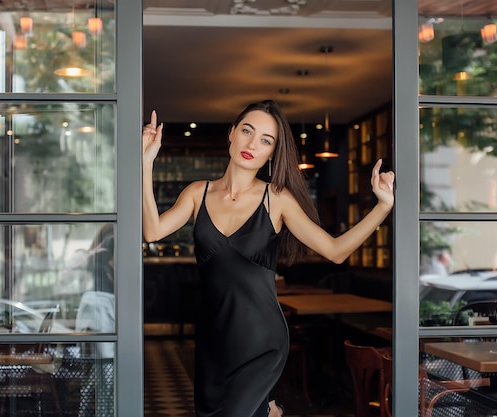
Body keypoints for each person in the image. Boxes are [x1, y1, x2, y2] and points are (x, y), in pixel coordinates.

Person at [142, 99, 394, 417]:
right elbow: (152, 231)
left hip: (260, 338)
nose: (252, 144)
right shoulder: (197, 193)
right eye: (247, 131)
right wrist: (146, 161)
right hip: (211, 338)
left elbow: (336, 251)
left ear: (273, 152)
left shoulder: (276, 199)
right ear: (232, 133)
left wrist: (383, 206)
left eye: (266, 140)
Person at [75, 223, 115, 417]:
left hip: (87, 306)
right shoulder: (113, 242)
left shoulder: (94, 249)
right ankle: (106, 413)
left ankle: (85, 412)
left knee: (92, 370)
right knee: (107, 368)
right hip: (103, 306)